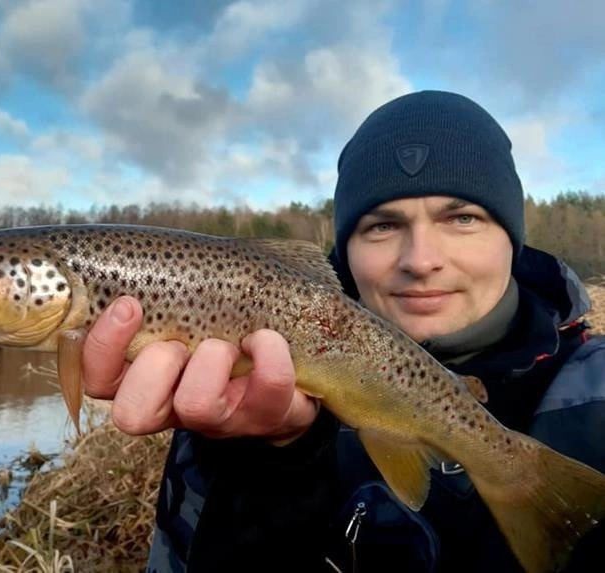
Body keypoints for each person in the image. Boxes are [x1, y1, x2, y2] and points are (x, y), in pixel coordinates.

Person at [79, 91, 605, 572]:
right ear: (344, 251)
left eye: (462, 218)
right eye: (382, 225)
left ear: (512, 238)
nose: (421, 260)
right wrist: (268, 466)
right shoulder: (223, 403)